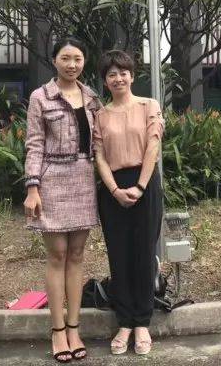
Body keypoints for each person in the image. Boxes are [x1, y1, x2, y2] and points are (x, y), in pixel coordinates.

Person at [23, 37, 103, 363]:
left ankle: (74, 328)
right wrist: (32, 188)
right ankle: (57, 330)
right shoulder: (40, 97)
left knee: (78, 255)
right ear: (54, 60)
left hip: (83, 178)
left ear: (84, 61)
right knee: (57, 255)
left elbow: (101, 141)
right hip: (52, 179)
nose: (72, 64)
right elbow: (34, 144)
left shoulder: (92, 97)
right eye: (66, 58)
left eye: (78, 58)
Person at [93, 50, 165, 356]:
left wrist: (139, 186)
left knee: (144, 252)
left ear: (132, 76)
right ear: (105, 81)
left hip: (145, 184)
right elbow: (99, 156)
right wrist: (114, 190)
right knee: (119, 254)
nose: (118, 78)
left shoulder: (149, 106)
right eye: (112, 74)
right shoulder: (100, 115)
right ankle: (124, 321)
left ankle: (142, 322)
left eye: (123, 72)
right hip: (113, 189)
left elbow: (153, 146)